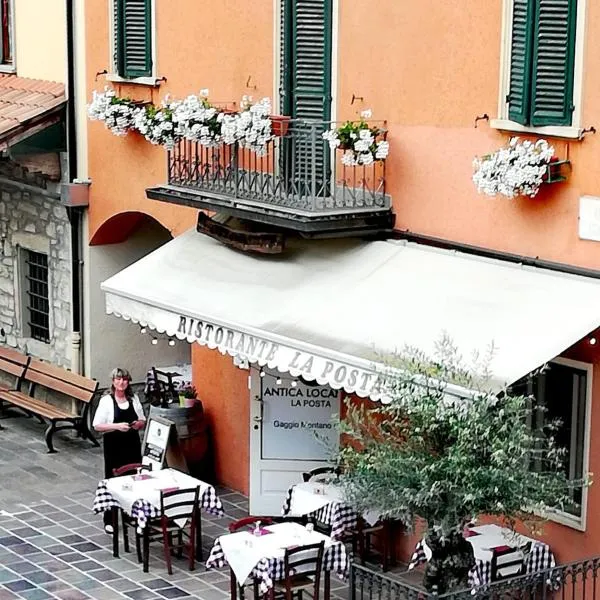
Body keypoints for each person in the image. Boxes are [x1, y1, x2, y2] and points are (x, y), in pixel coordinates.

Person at [93, 367, 146, 534]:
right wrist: (116, 426)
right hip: (114, 444)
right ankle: (110, 518)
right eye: (118, 379)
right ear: (113, 381)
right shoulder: (106, 401)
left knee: (133, 480)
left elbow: (142, 419)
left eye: (124, 379)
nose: (121, 382)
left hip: (132, 443)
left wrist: (138, 424)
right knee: (113, 480)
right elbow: (97, 425)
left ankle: (131, 514)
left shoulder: (134, 398)